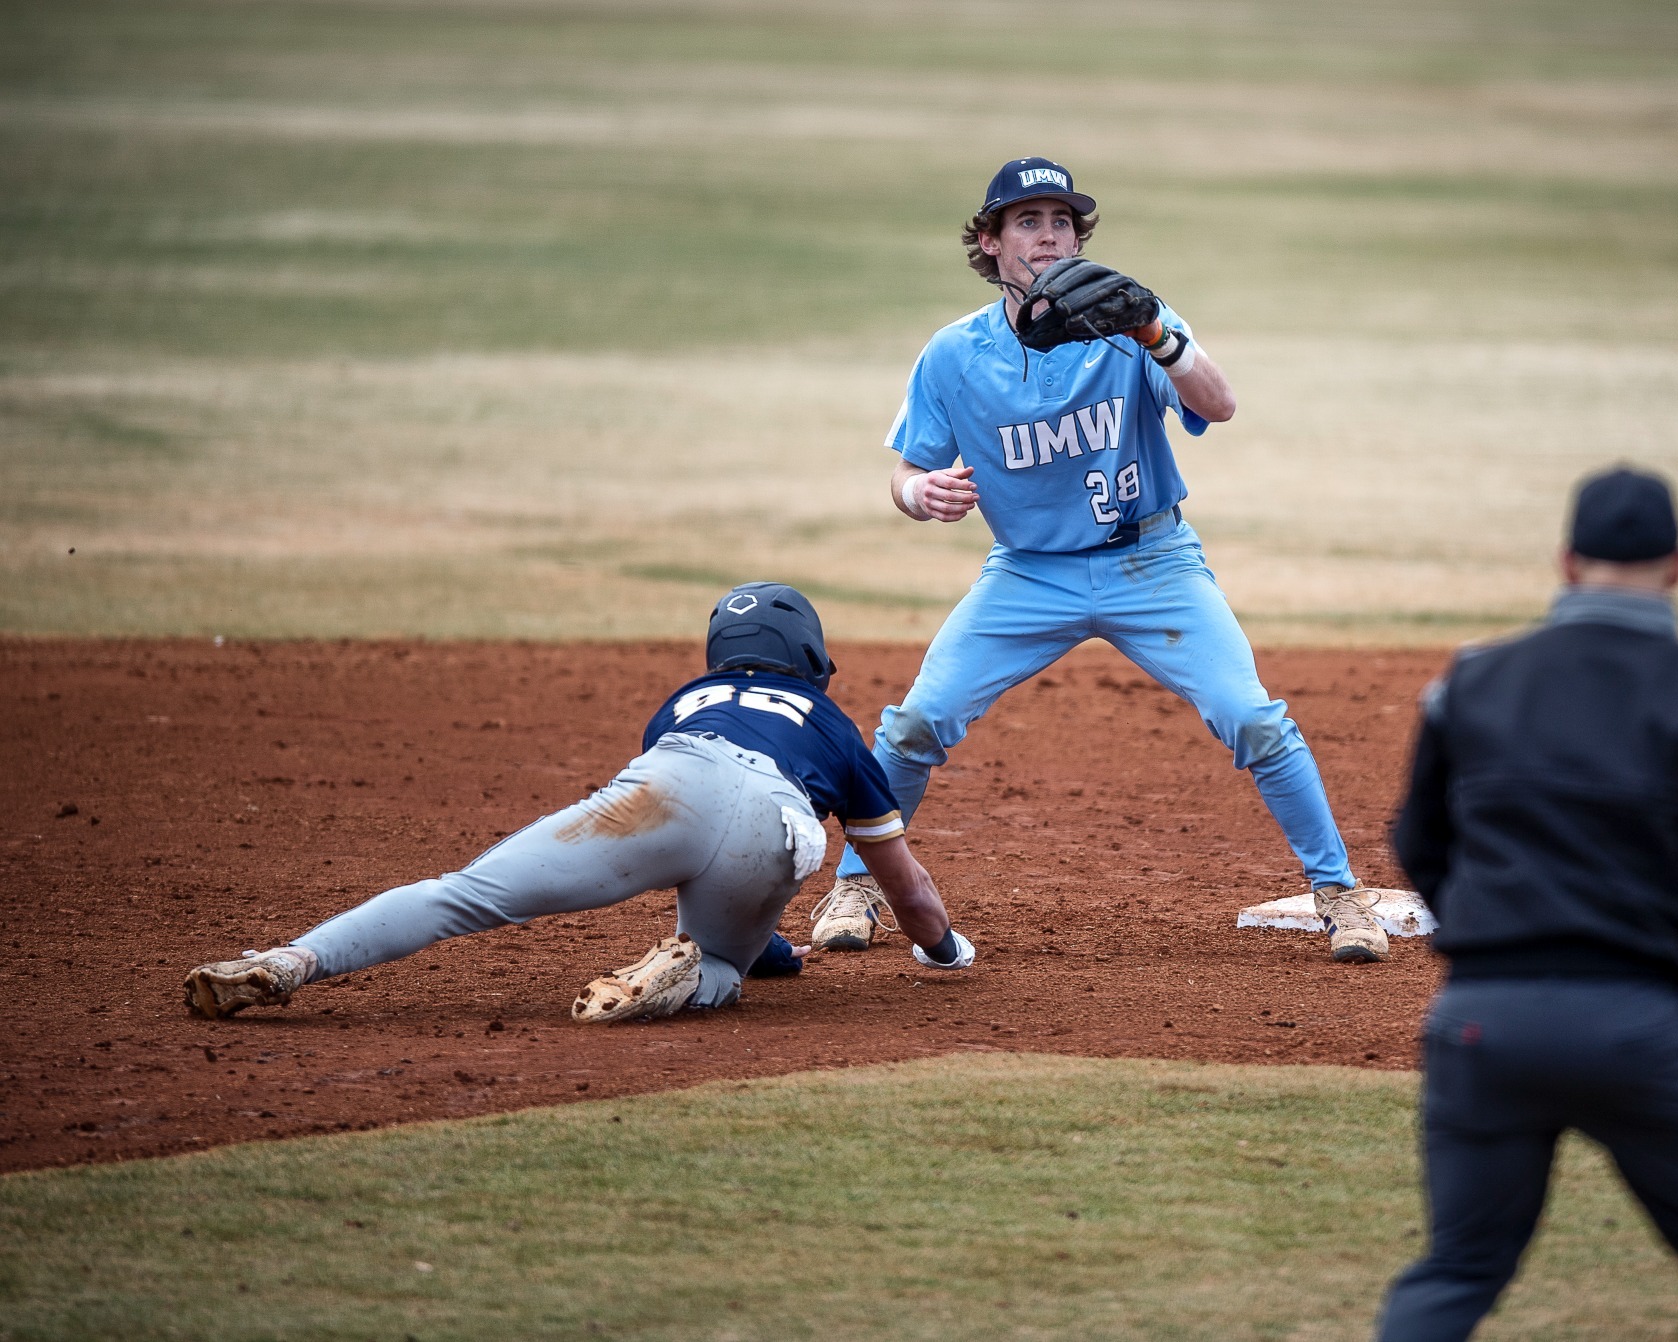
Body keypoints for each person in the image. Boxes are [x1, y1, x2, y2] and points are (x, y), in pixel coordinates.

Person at [807, 155, 1402, 965]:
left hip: (1153, 564)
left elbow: (1218, 405)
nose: (1048, 235)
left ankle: (1339, 893)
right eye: (1027, 222)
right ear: (990, 242)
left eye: (1061, 222)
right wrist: (922, 496)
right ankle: (858, 883)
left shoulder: (1131, 321)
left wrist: (1158, 332)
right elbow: (908, 471)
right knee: (914, 724)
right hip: (1027, 574)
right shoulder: (953, 355)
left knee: (1256, 720)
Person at [1375, 467, 1678, 1340]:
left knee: (1458, 1268)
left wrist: (1490, 938)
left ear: (1566, 562)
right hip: (1641, 1024)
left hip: (1481, 1024)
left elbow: (1416, 841)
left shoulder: (1471, 679)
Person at [184, 583, 975, 1024]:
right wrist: (944, 952)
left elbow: (689, 835)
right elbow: (904, 888)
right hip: (774, 826)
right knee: (724, 967)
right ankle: (683, 977)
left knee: (463, 895)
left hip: (668, 784)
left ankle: (288, 961)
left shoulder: (684, 704)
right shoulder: (831, 726)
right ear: (811, 655)